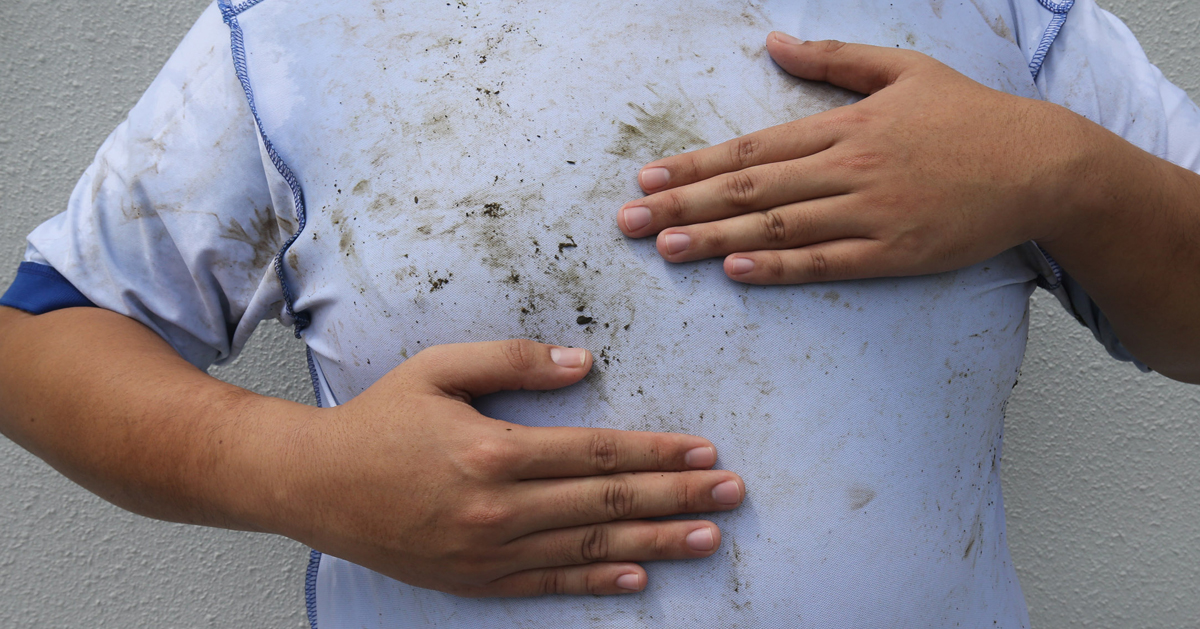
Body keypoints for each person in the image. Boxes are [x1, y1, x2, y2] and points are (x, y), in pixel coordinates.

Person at [0, 0, 1196, 627]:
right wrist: (292, 469)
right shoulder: (299, 31)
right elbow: (43, 335)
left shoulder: (1005, 23)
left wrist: (1063, 169)